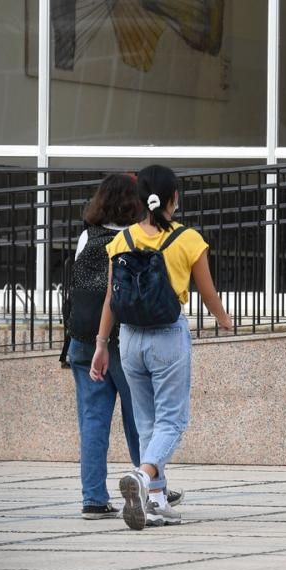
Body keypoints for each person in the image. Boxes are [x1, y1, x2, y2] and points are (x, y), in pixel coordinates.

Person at [90, 164, 232, 531]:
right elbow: (206, 291)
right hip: (168, 336)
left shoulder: (120, 241)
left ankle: (154, 501)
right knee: (172, 421)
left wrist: (101, 344)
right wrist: (225, 320)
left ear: (141, 200)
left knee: (147, 422)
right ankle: (141, 475)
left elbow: (110, 297)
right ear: (173, 199)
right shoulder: (188, 239)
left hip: (130, 340)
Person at [67, 175, 141, 519]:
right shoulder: (135, 239)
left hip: (82, 340)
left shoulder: (87, 235)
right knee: (138, 418)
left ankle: (93, 498)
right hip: (123, 340)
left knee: (93, 420)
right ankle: (150, 486)